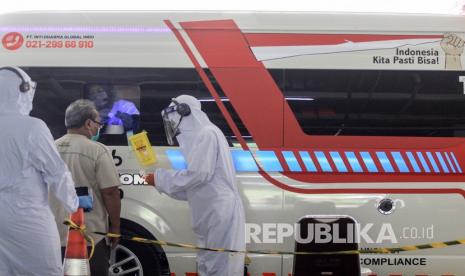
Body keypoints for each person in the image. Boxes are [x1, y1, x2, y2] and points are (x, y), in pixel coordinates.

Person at [0, 67, 92, 276]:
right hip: (26, 216)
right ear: (21, 91)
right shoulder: (32, 127)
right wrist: (74, 203)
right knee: (45, 270)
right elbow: (56, 173)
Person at [145, 95, 246, 275]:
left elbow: (199, 174)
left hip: (217, 211)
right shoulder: (203, 135)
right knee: (209, 262)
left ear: (184, 111)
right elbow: (194, 186)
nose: (172, 124)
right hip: (210, 210)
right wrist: (162, 184)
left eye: (173, 117)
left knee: (218, 266)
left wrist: (160, 179)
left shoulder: (207, 133)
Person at [49, 99, 122, 276]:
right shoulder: (97, 150)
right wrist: (115, 228)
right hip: (89, 237)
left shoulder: (49, 148)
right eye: (98, 123)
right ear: (88, 123)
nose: (98, 128)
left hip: (50, 236)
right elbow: (110, 192)